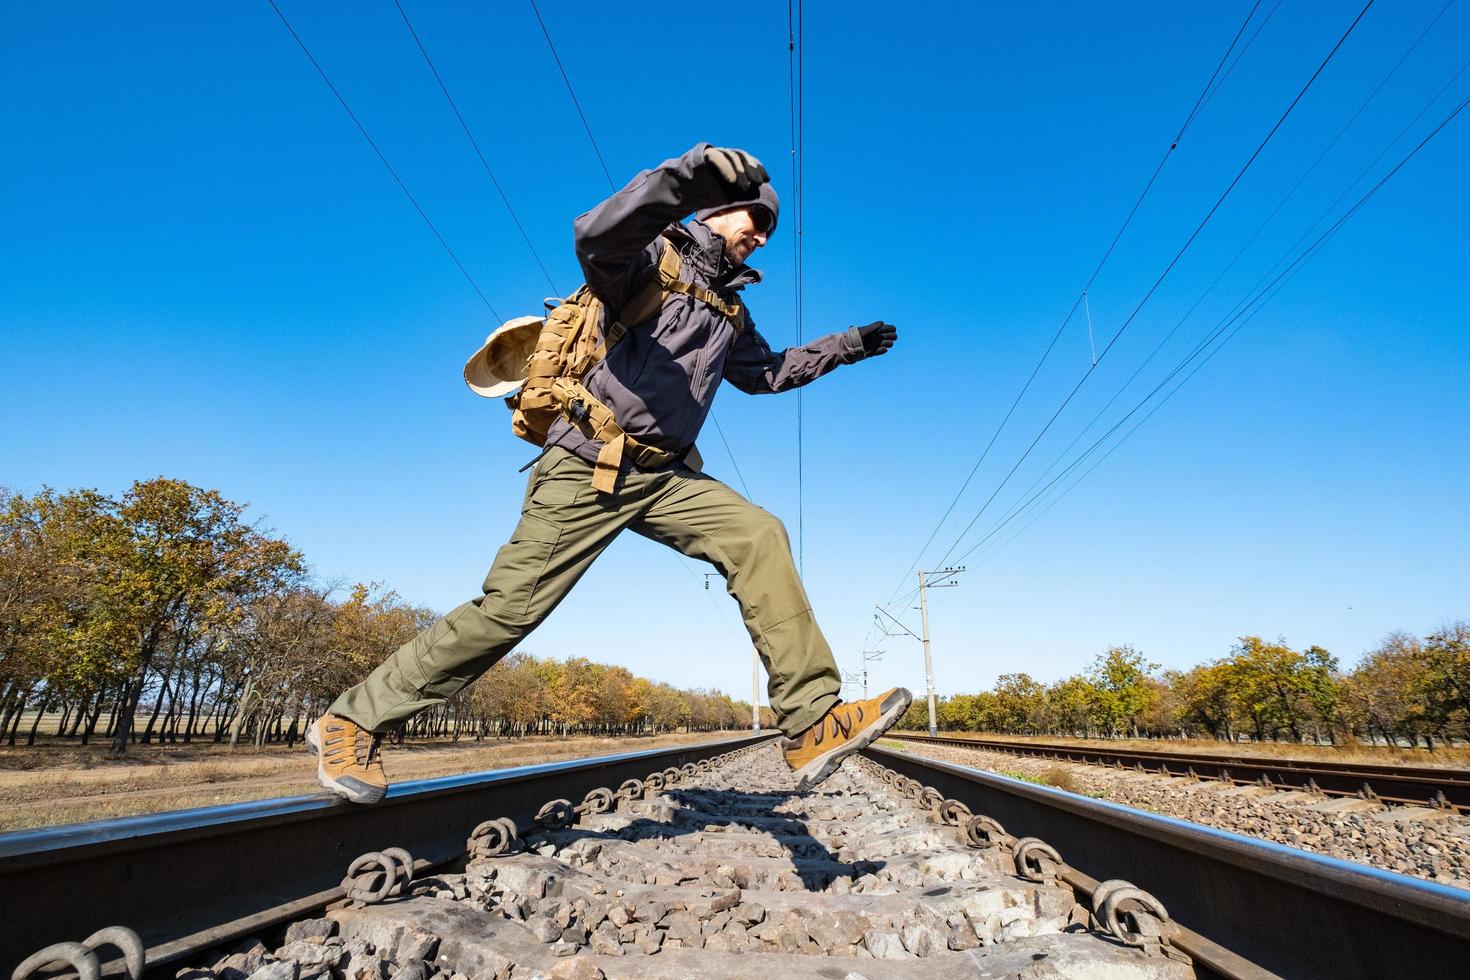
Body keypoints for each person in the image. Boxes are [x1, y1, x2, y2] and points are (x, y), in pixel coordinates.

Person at [308, 143, 911, 804]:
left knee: (758, 535)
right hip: (585, 462)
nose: (760, 238)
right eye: (753, 221)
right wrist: (685, 180)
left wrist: (846, 347)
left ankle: (811, 723)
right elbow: (594, 237)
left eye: (768, 232)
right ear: (719, 209)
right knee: (510, 609)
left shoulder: (731, 311)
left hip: (663, 476)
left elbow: (766, 376)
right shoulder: (651, 257)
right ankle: (353, 721)